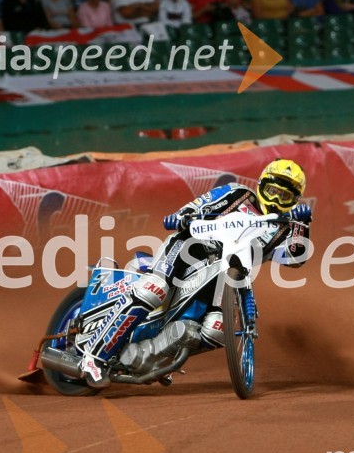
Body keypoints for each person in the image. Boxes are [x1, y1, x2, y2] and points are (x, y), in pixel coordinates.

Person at [77, 159, 313, 378]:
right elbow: (198, 205)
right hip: (188, 249)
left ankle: (151, 358)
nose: (276, 200)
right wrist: (183, 216)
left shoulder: (286, 228)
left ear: (294, 201)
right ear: (262, 185)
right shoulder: (237, 194)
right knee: (153, 289)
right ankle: (93, 356)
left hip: (224, 277)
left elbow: (295, 258)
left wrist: (302, 225)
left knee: (216, 330)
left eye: (285, 197)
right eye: (273, 191)